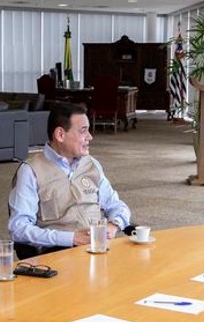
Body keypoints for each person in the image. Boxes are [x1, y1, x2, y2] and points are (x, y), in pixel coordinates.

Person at [8, 102, 131, 252]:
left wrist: (114, 225)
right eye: (83, 131)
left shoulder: (92, 165)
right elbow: (18, 228)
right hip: (60, 254)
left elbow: (117, 206)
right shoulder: (30, 171)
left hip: (99, 249)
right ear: (60, 135)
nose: (90, 137)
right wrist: (72, 238)